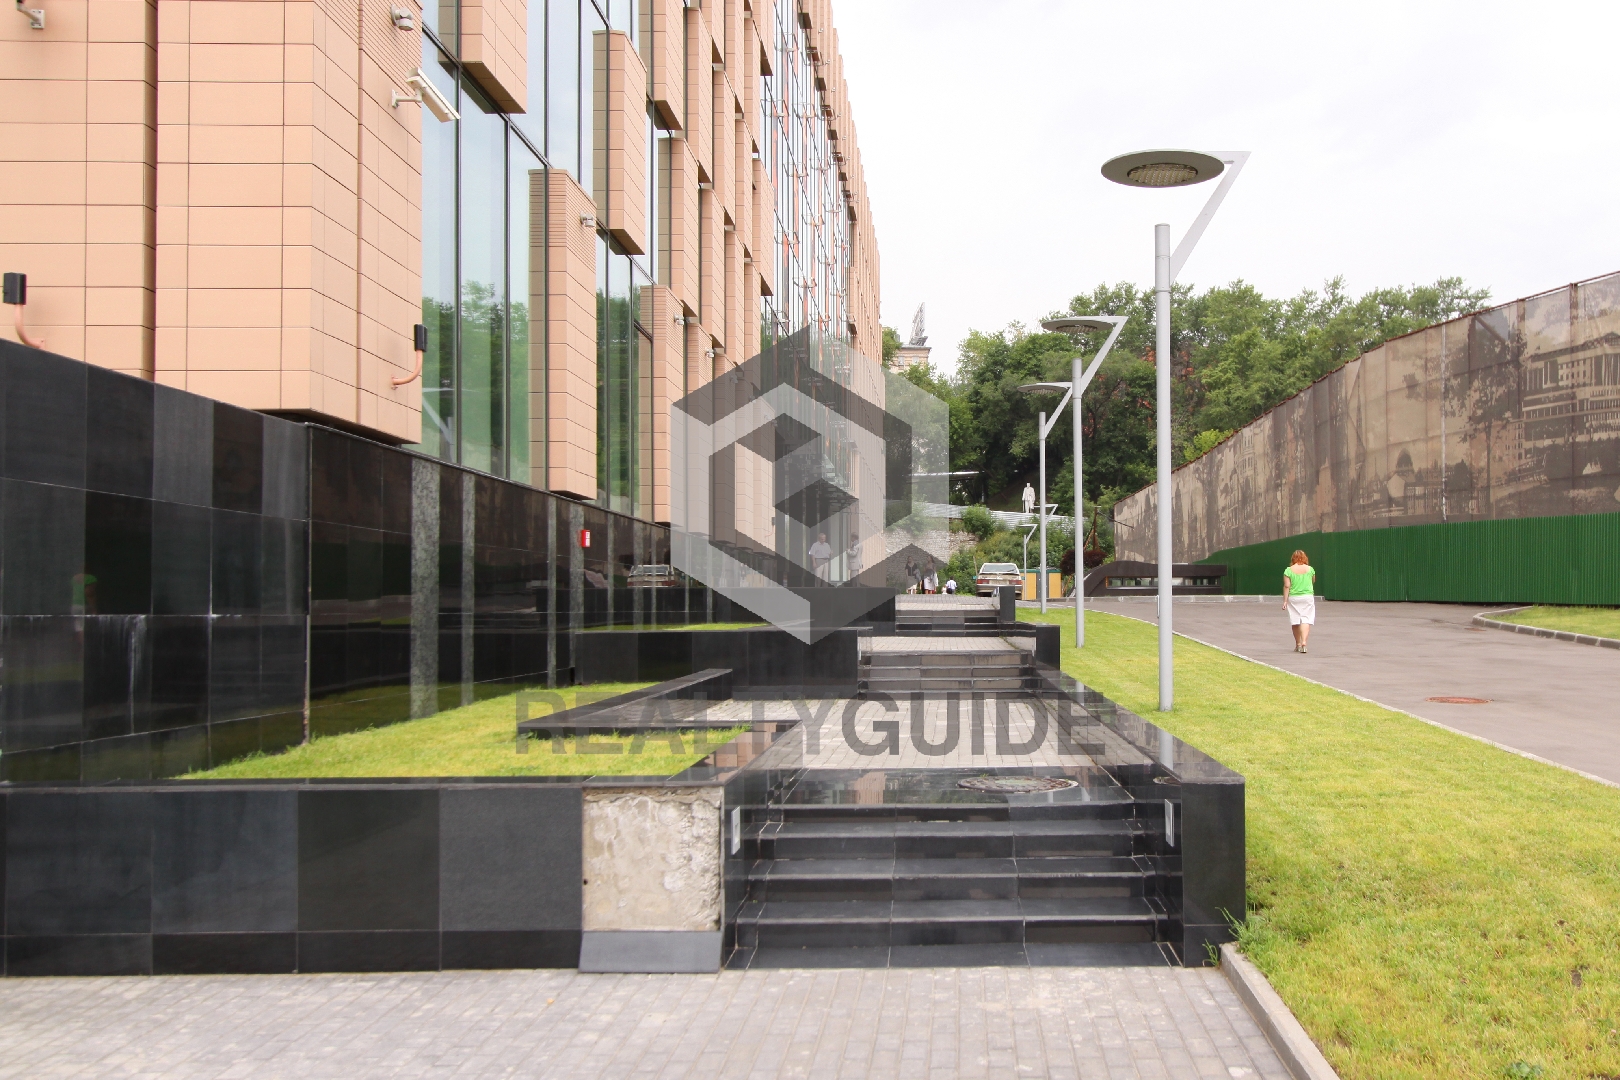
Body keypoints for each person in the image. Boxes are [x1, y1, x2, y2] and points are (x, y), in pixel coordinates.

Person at [1283, 550, 1317, 653]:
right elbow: (1313, 581)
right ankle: (1304, 643)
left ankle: (1298, 644)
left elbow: (1287, 586)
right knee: (1305, 619)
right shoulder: (1310, 569)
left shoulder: (1288, 570)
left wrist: (1285, 601)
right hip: (1307, 597)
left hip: (1294, 597)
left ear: (1293, 558)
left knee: (1295, 620)